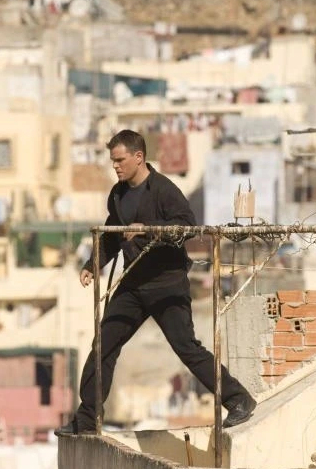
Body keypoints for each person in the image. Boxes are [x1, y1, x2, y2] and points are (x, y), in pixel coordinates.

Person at [55, 129, 256, 436]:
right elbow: (112, 234)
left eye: (120, 160)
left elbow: (187, 226)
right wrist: (92, 265)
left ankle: (238, 399)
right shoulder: (118, 194)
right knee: (103, 345)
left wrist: (148, 228)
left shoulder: (164, 190)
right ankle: (87, 419)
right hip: (133, 284)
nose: (116, 166)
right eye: (113, 161)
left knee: (186, 347)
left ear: (139, 157)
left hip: (167, 284)